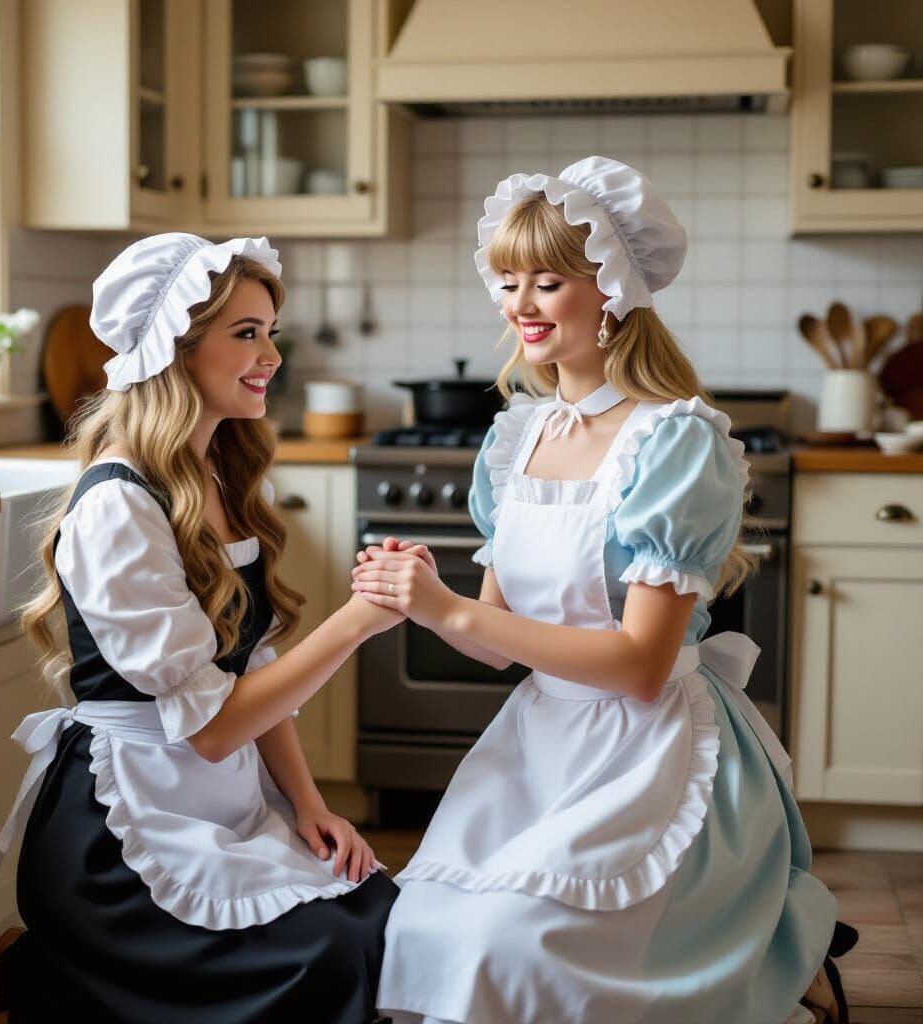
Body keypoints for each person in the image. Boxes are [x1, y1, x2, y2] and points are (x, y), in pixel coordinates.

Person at [353, 159, 854, 1024]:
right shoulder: (520, 436)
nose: (522, 304)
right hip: (539, 747)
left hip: (648, 753)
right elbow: (495, 638)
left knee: (514, 951)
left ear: (613, 290)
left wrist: (454, 609)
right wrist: (428, 599)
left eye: (549, 281)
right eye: (508, 281)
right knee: (423, 941)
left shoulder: (674, 442)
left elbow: (637, 668)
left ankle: (785, 949)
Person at [0, 233, 399, 1024]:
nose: (271, 355)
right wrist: (356, 623)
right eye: (245, 333)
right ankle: (54, 969)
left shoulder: (219, 475)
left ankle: (51, 974)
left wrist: (308, 804)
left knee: (382, 914)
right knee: (335, 954)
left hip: (219, 803)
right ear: (173, 348)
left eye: (269, 331)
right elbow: (212, 729)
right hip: (122, 837)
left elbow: (253, 675)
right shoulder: (119, 505)